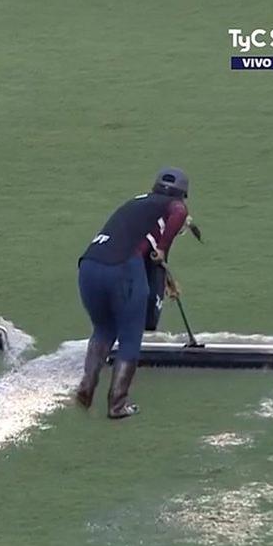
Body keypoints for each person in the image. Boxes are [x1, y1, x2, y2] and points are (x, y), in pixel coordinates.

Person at [75, 167, 192, 418]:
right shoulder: (174, 206)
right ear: (181, 193)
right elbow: (179, 213)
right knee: (130, 336)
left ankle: (86, 387)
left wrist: (162, 272)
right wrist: (163, 248)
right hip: (122, 269)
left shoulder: (138, 203)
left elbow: (142, 249)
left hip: (88, 266)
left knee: (104, 329)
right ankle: (117, 405)